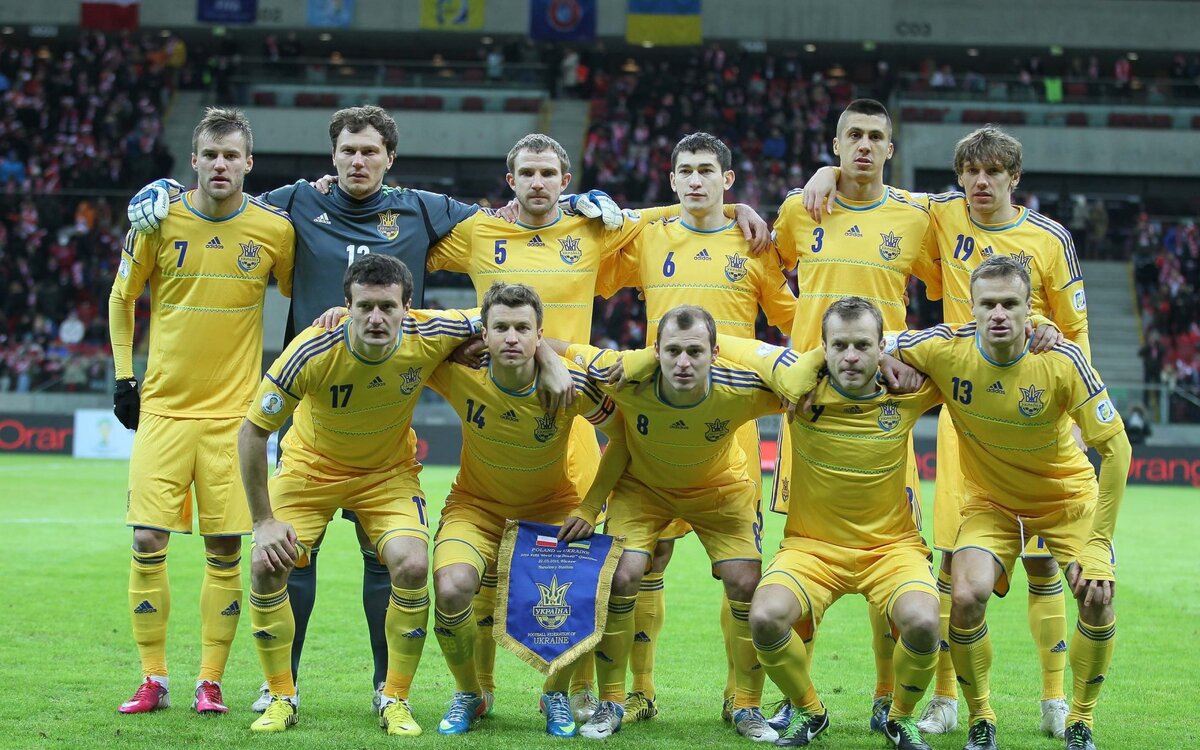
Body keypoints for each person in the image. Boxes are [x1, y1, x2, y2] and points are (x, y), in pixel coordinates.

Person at [125, 109, 616, 712]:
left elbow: (508, 220)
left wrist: (577, 206)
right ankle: (281, 683)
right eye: (348, 151)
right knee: (291, 554)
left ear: (390, 158)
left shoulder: (423, 210)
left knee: (387, 558)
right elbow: (224, 198)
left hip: (389, 410)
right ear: (332, 157)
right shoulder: (296, 202)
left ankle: (388, 688)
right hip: (312, 401)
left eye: (370, 151)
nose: (358, 161)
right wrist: (166, 188)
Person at [424, 131, 768, 721]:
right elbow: (410, 244)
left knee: (586, 569)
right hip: (502, 395)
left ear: (566, 181)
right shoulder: (480, 231)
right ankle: (478, 691)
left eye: (548, 173)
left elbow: (674, 215)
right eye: (526, 173)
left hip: (578, 407)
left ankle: (580, 691)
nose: (537, 182)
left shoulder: (592, 229)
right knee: (482, 574)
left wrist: (735, 208)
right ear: (510, 181)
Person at [801, 124, 1090, 739]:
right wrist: (827, 173)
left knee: (1043, 566)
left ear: (1014, 178)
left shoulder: (1050, 238)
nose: (981, 183)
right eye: (971, 172)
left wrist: (1070, 404)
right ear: (959, 178)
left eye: (994, 172)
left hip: (1036, 415)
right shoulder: (940, 213)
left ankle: (1055, 699)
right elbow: (873, 191)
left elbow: (1076, 330)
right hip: (965, 414)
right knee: (953, 564)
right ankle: (944, 698)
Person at [593, 131, 795, 729]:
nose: (696, 180)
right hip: (653, 424)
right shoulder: (650, 235)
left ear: (727, 179)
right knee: (645, 561)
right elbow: (591, 253)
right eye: (685, 171)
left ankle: (741, 699)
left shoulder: (753, 243)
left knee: (741, 575)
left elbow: (793, 318)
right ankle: (637, 692)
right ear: (672, 178)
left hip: (729, 428)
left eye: (708, 170)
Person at [552, 306, 820, 743]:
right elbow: (554, 346)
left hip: (719, 490)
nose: (683, 362)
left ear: (715, 353)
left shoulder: (740, 387)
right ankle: (612, 702)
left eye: (695, 352)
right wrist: (544, 359)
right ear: (656, 350)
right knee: (620, 576)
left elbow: (808, 374)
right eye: (672, 351)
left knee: (745, 582)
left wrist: (801, 388)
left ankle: (747, 706)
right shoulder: (622, 373)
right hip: (643, 488)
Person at [238, 254, 480, 736]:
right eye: (364, 306)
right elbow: (251, 432)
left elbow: (503, 315)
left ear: (408, 307)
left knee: (413, 564)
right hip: (309, 470)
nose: (376, 318)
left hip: (386, 475)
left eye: (387, 306)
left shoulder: (431, 330)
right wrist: (263, 522)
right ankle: (281, 695)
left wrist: (532, 355)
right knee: (267, 563)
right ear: (345, 306)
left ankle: (395, 697)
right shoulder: (312, 349)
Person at [896, 255, 1130, 750]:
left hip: (1066, 500)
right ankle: (981, 717)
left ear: (1030, 310)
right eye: (988, 304)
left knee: (1097, 595)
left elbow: (1117, 449)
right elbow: (875, 340)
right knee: (964, 596)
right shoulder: (946, 348)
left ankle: (1080, 720)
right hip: (993, 505)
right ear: (972, 308)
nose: (998, 313)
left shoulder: (1062, 360)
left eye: (1010, 303)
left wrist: (1099, 544)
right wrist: (888, 362)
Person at [109, 108, 295, 716]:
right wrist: (124, 377)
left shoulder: (273, 230)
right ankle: (153, 678)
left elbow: (303, 296)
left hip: (233, 420)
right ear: (193, 160)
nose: (220, 164)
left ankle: (209, 681)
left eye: (231, 155)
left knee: (224, 549)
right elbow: (122, 296)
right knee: (146, 537)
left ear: (248, 163)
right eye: (210, 155)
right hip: (163, 409)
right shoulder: (157, 220)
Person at [771, 98, 942, 731]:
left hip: (886, 410)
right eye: (854, 136)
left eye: (875, 136)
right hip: (810, 407)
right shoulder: (801, 208)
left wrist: (913, 353)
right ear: (836, 145)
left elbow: (950, 288)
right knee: (805, 548)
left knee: (889, 547)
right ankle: (798, 699)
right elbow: (762, 264)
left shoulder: (916, 218)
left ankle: (886, 696)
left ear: (890, 149)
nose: (864, 146)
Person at [745, 297, 943, 750]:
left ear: (881, 347)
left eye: (862, 345)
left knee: (923, 622)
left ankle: (900, 717)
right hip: (811, 549)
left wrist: (1035, 323)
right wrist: (801, 367)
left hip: (891, 549)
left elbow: (964, 351)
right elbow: (734, 348)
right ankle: (810, 710)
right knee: (765, 617)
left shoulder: (906, 393)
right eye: (839, 346)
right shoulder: (798, 391)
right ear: (823, 348)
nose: (851, 356)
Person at [425, 281, 617, 738]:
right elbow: (404, 334)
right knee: (451, 588)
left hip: (551, 510)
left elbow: (624, 437)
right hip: (475, 508)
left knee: (579, 594)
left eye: (523, 329)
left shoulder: (570, 386)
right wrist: (340, 314)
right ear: (483, 335)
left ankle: (555, 693)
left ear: (539, 334)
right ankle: (470, 693)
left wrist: (591, 506)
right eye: (501, 328)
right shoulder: (458, 374)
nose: (512, 337)